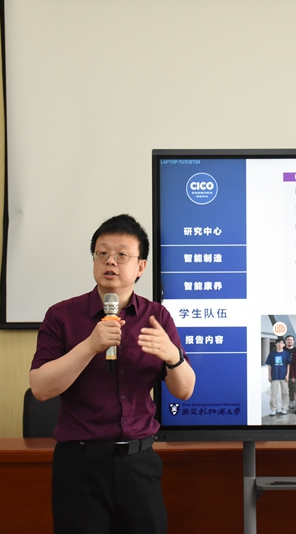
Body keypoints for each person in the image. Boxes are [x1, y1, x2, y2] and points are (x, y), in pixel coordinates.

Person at [30, 214, 196, 534]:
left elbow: (185, 390)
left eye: (122, 255)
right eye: (102, 253)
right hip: (80, 466)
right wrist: (90, 346)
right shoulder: (62, 316)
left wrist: (172, 356)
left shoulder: (156, 317)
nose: (110, 261)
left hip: (139, 463)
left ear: (141, 266)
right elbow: (40, 388)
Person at [266, 338, 290, 416]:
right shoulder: (272, 354)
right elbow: (269, 365)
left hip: (284, 376)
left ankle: (284, 408)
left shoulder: (286, 353)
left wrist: (287, 375)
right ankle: (274, 408)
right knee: (273, 393)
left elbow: (288, 365)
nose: (280, 344)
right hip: (274, 376)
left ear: (284, 344)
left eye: (281, 343)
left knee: (285, 393)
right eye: (278, 343)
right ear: (276, 344)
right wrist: (269, 375)